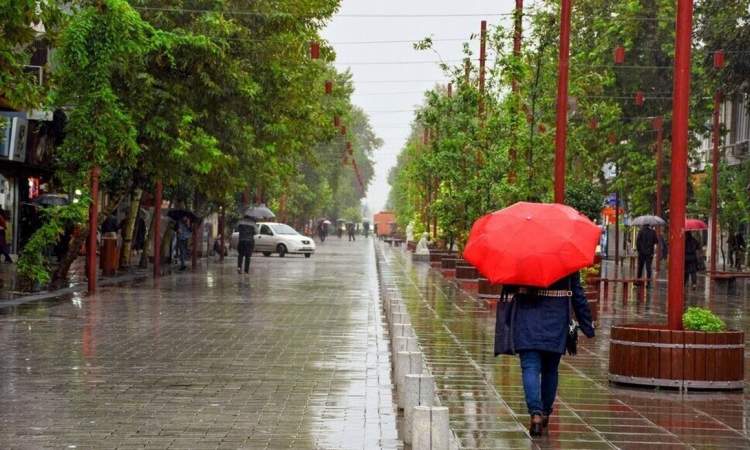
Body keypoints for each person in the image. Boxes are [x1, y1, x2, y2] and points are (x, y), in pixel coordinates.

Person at [502, 272, 594, 436]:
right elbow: (577, 292)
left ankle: (535, 414)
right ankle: (544, 412)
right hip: (556, 316)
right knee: (550, 369)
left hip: (526, 317)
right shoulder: (567, 254)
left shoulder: (522, 253)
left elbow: (509, 286)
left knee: (530, 366)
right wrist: (587, 324)